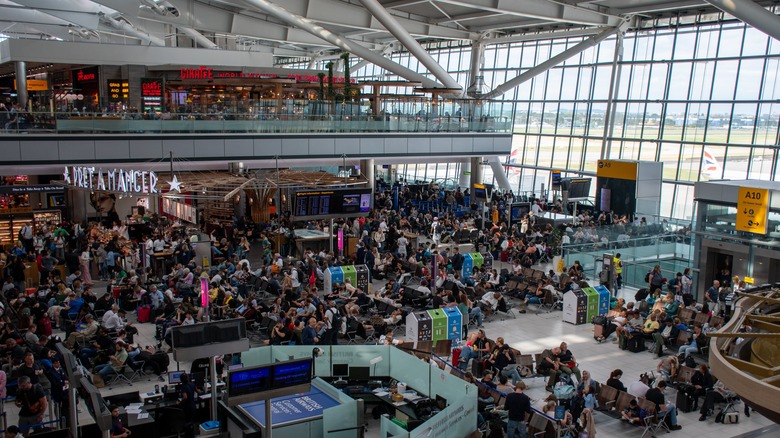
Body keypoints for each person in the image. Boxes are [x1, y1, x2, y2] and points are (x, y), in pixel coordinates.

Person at [179, 373, 198, 438]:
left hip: (187, 407)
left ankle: (189, 435)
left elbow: (185, 397)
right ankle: (191, 434)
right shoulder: (192, 384)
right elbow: (198, 391)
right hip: (193, 406)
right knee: (191, 421)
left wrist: (180, 403)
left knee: (187, 422)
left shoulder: (183, 387)